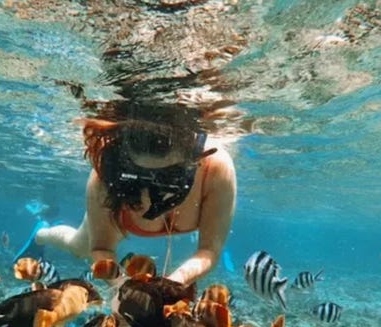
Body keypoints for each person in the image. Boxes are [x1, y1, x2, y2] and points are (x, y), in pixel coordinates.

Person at [33, 102, 237, 287]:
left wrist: (171, 284)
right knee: (80, 247)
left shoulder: (215, 168)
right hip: (114, 213)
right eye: (139, 175)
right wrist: (124, 289)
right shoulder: (107, 172)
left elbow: (210, 250)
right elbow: (101, 248)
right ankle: (41, 234)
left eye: (169, 177)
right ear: (125, 162)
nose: (153, 189)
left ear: (192, 162)